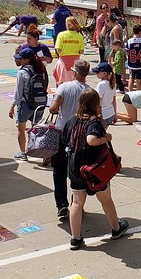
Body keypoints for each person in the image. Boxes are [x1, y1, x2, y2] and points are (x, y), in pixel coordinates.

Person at [62, 88, 129, 250]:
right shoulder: (93, 122)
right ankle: (116, 228)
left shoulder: (72, 120)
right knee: (105, 199)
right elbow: (91, 140)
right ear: (93, 105)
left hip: (75, 168)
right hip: (95, 170)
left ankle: (75, 238)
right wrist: (106, 138)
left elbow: (65, 139)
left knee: (77, 203)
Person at [48, 58, 91, 223]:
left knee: (59, 170)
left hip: (63, 133)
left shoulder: (64, 87)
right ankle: (77, 205)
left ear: (74, 72)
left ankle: (61, 204)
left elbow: (53, 108)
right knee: (78, 172)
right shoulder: (90, 92)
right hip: (81, 136)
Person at [9, 47, 48, 161]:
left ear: (27, 60)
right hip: (39, 103)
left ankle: (23, 153)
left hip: (26, 104)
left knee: (21, 129)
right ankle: (36, 150)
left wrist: (12, 106)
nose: (19, 60)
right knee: (36, 128)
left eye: (21, 59)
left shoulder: (22, 73)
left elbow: (18, 92)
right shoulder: (41, 70)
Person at [53, 16, 84, 84]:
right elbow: (81, 51)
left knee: (61, 81)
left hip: (63, 61)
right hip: (75, 61)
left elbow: (58, 50)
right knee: (75, 82)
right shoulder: (79, 36)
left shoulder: (61, 35)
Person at [125, 24, 141, 90]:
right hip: (140, 64)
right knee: (139, 80)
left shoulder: (129, 41)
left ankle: (130, 92)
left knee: (131, 78)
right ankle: (138, 92)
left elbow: (126, 51)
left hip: (131, 64)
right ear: (140, 32)